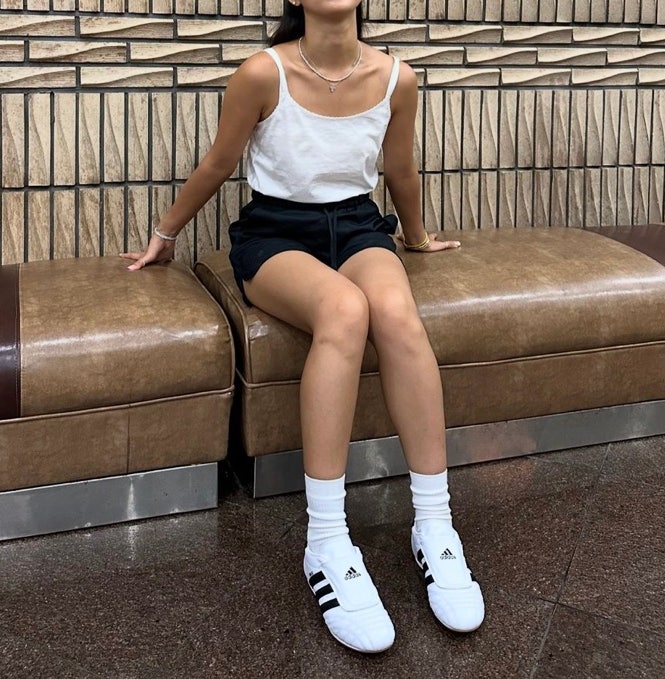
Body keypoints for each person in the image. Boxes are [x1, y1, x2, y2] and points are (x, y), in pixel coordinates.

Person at [121, 0, 484, 654]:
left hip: (358, 227)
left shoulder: (396, 77)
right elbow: (218, 163)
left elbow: (399, 170)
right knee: (344, 309)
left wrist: (417, 237)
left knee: (397, 314)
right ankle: (327, 541)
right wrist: (164, 234)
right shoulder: (262, 72)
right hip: (275, 235)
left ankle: (434, 526)